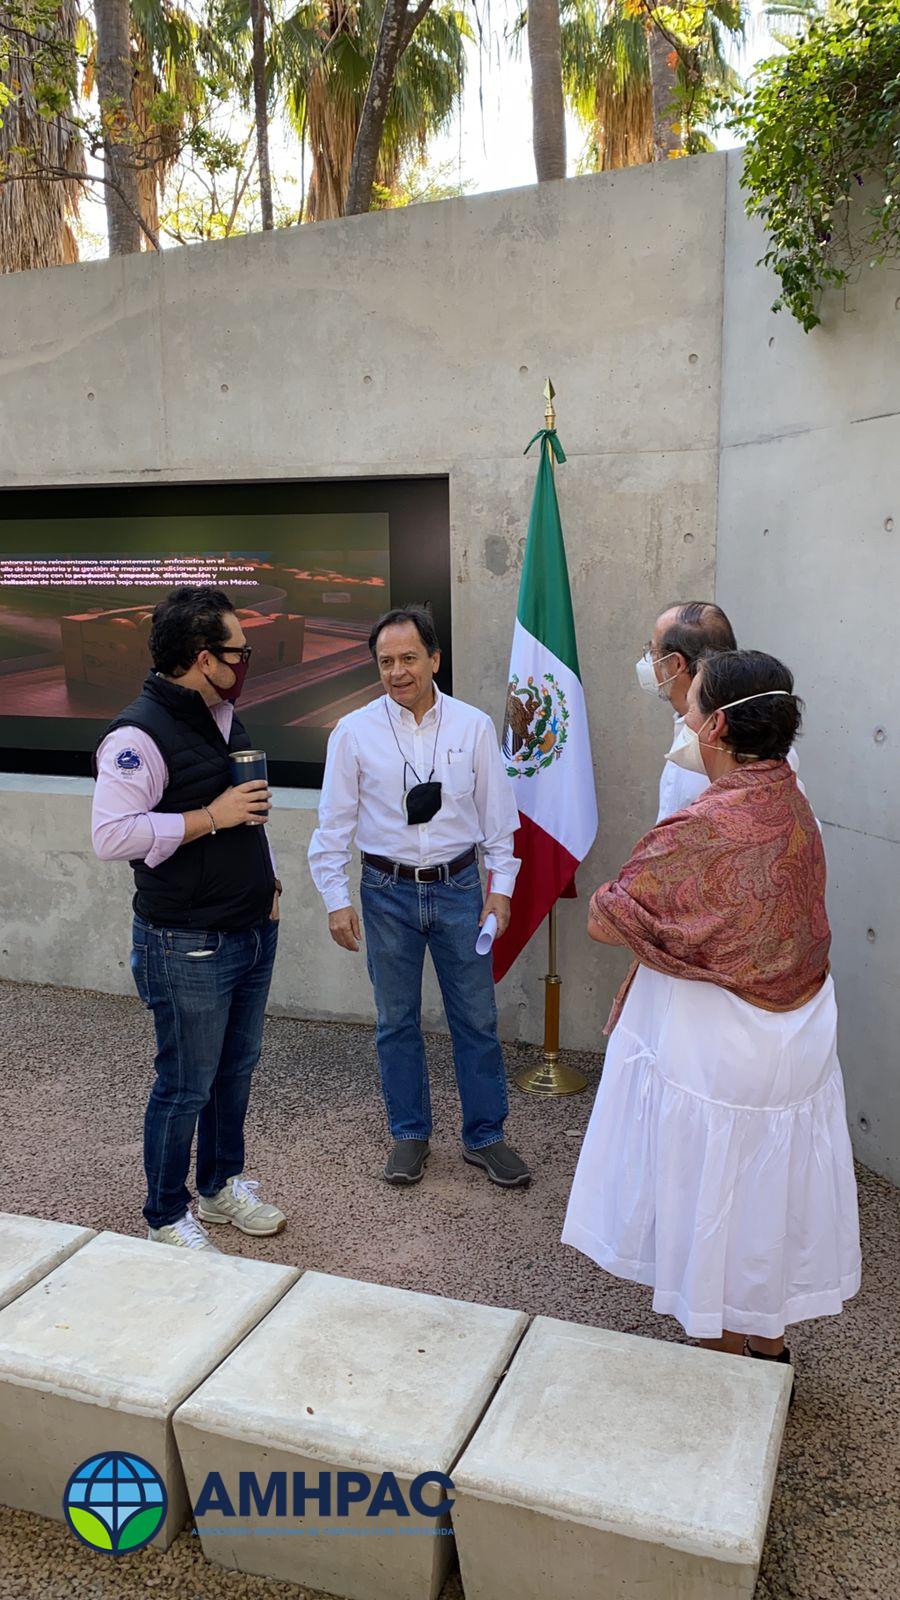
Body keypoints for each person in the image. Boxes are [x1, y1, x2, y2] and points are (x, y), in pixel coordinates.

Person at [562, 649, 860, 1387]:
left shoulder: (706, 821)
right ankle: (769, 1343)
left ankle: (724, 1372)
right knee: (770, 1192)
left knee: (716, 1191)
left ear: (717, 725)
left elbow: (606, 917)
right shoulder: (791, 794)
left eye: (691, 704)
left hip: (722, 1048)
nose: (684, 718)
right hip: (796, 1033)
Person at [308, 605, 529, 1189]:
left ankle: (486, 1136)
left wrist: (500, 890)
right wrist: (335, 898)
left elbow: (499, 821)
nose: (397, 672)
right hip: (386, 894)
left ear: (435, 659)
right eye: (385, 662)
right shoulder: (353, 732)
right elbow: (332, 826)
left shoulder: (473, 726)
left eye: (408, 658)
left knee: (476, 1019)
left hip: (459, 890)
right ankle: (409, 1134)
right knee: (395, 1021)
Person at [91, 586, 286, 1251]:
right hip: (187, 943)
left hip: (251, 928)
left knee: (235, 1071)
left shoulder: (221, 715)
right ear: (204, 658)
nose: (245, 662)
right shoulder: (136, 736)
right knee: (185, 1086)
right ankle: (165, 1217)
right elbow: (111, 835)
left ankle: (219, 1187)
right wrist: (210, 817)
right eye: (239, 652)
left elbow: (243, 811)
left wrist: (267, 881)